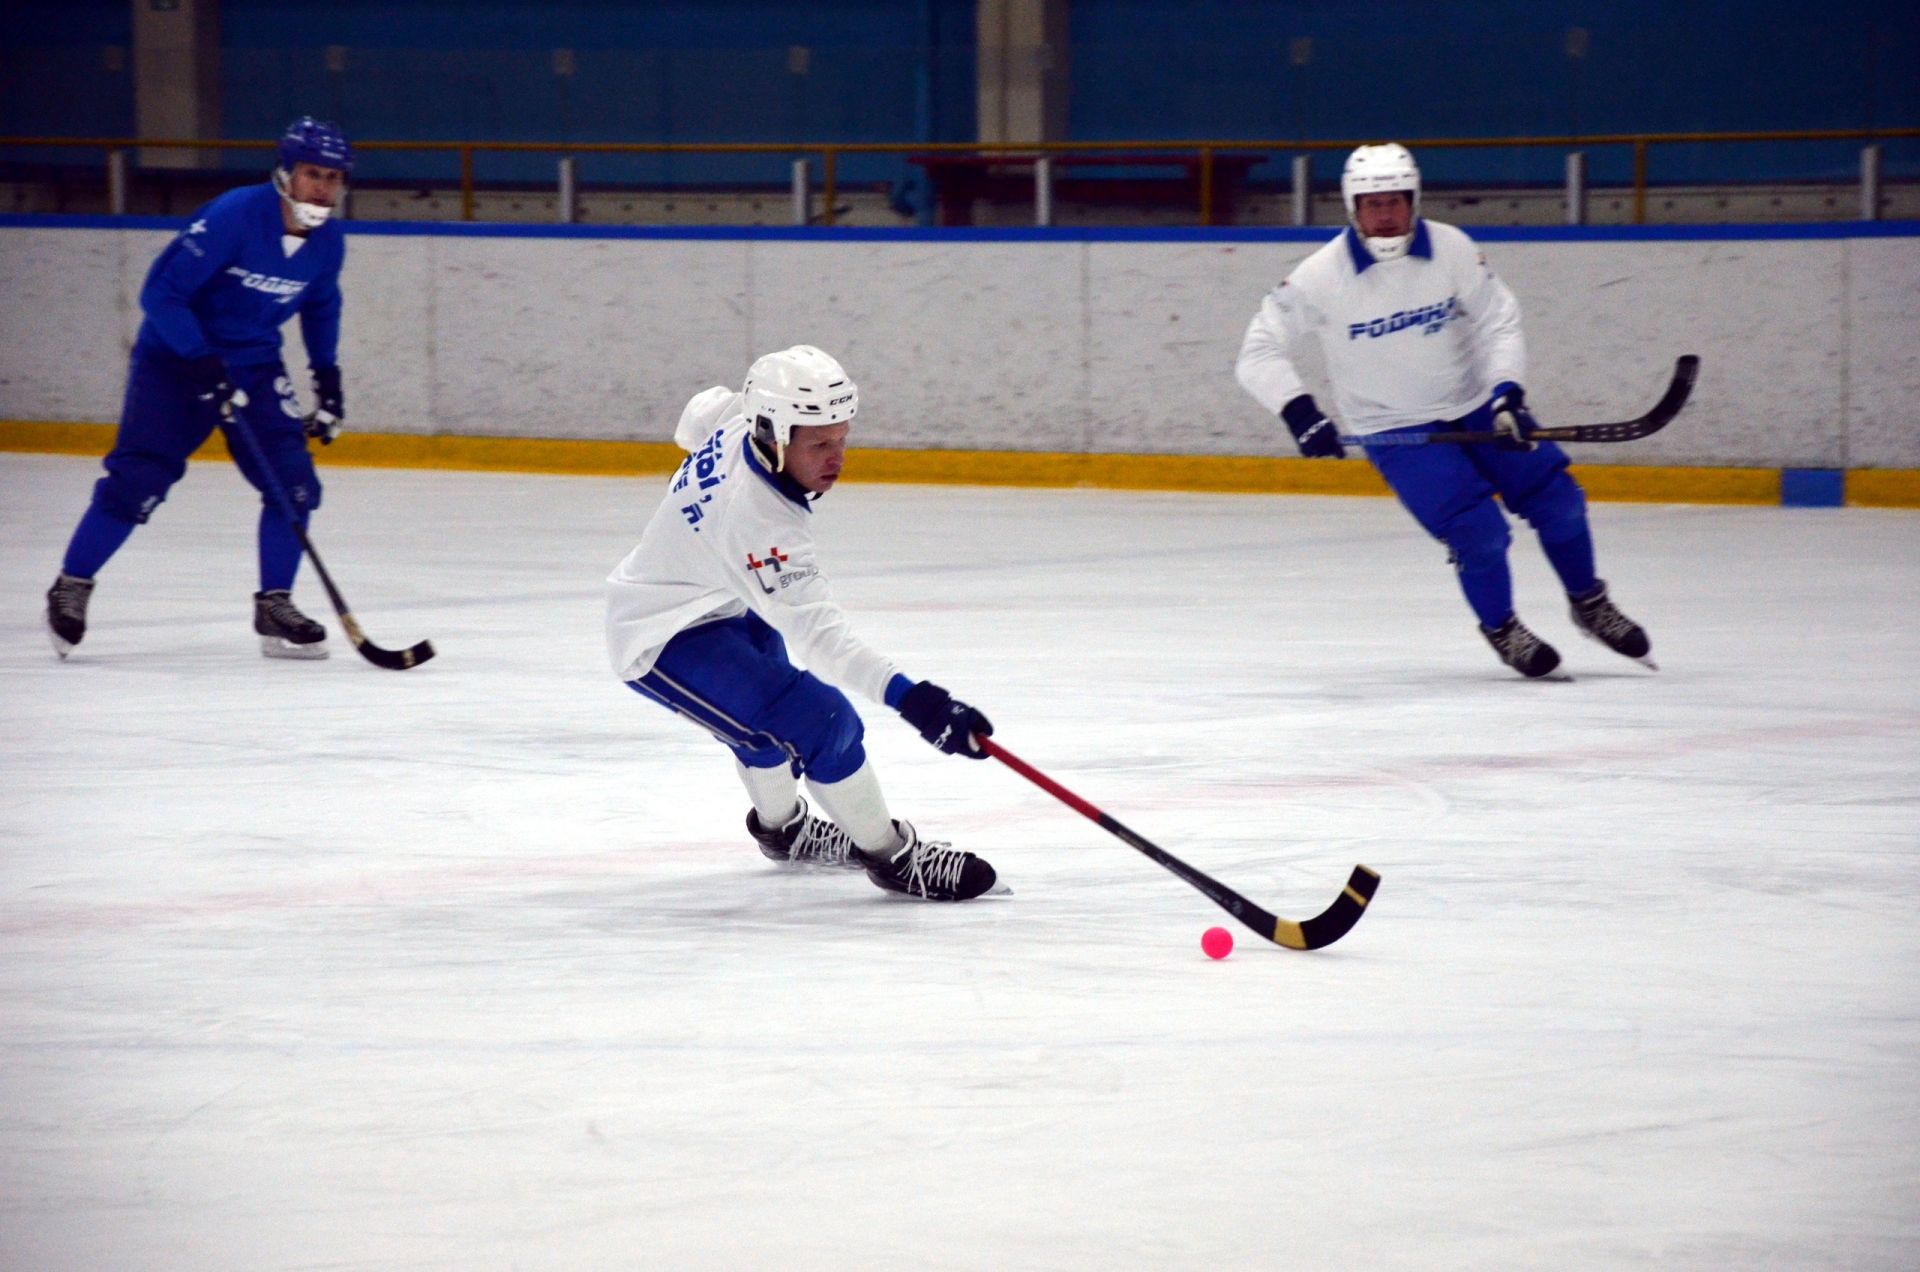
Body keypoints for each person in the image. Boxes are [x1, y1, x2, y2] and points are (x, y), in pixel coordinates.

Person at [1234, 143, 1652, 678]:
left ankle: (1589, 602)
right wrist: (1300, 413)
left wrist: (1507, 393)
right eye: (1372, 202)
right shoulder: (1320, 276)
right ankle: (1503, 628)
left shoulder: (1452, 248)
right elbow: (1258, 351)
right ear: (1351, 206)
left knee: (1560, 502)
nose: (1385, 214)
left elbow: (1497, 319)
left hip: (1477, 404)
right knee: (1479, 535)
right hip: (1393, 427)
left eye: (1395, 201)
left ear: (1414, 200)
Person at [605, 345, 1000, 902]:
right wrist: (919, 701)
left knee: (769, 723)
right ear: (774, 435)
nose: (836, 458)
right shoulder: (763, 525)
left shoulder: (742, 421)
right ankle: (894, 858)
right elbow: (823, 641)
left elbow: (701, 412)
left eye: (842, 440)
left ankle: (783, 832)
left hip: (722, 601)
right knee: (821, 719)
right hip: (659, 637)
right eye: (819, 445)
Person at [44, 117, 355, 661]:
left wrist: (327, 378)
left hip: (254, 364)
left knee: (294, 485)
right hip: (175, 359)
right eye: (313, 174)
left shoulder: (328, 241)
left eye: (333, 177)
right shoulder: (234, 215)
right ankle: (73, 584)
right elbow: (160, 294)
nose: (323, 189)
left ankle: (274, 604)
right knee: (138, 481)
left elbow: (322, 303)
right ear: (285, 173)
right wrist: (200, 363)